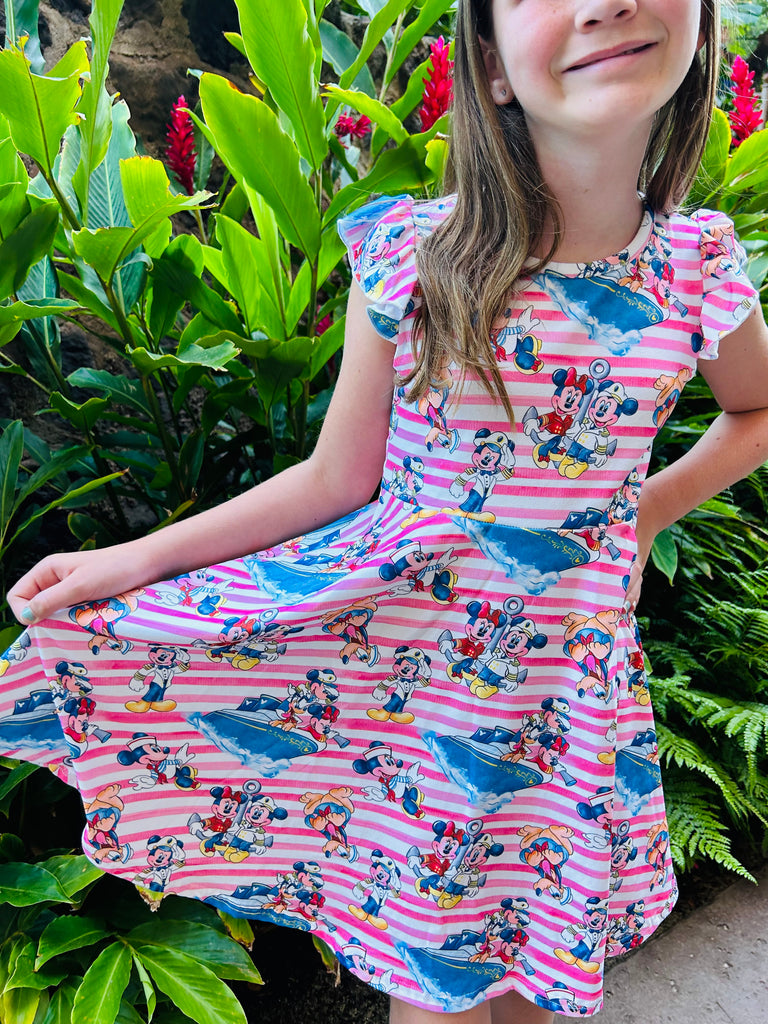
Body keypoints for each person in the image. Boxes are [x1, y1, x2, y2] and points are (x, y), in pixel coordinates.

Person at [3, 0, 768, 1021]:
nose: (603, 4)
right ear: (491, 68)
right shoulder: (416, 253)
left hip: (566, 697)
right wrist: (135, 560)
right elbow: (334, 480)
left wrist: (646, 511)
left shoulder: (697, 264)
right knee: (437, 986)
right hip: (414, 684)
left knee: (537, 974)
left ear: (704, 25)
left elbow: (758, 408)